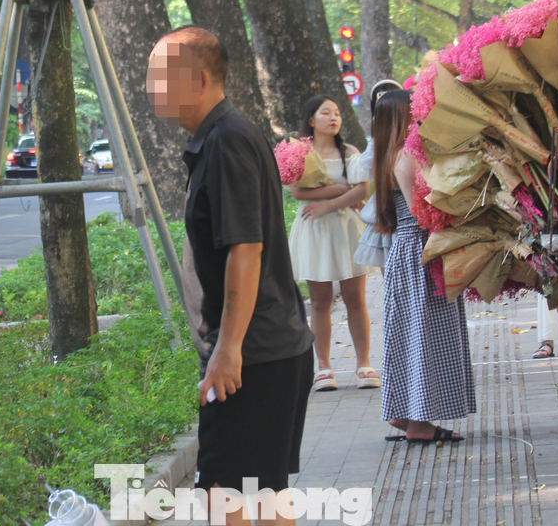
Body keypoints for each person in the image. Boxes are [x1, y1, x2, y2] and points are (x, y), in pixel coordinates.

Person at [147, 26, 314, 520]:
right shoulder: (221, 137)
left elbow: (247, 249)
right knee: (262, 501)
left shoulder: (226, 141)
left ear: (197, 80)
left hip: (251, 359)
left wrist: (227, 348)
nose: (149, 88)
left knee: (227, 501)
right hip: (262, 354)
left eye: (158, 77)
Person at [373, 89, 476, 443]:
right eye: (413, 114)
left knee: (412, 330)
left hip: (408, 251)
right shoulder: (406, 157)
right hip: (421, 249)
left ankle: (404, 413)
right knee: (427, 332)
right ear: (401, 119)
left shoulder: (390, 156)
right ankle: (419, 424)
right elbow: (423, 210)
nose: (420, 118)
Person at [287, 94, 375, 391]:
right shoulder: (300, 152)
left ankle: (364, 363)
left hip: (345, 230)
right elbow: (298, 193)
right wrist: (340, 191)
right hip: (314, 229)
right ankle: (323, 367)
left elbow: (361, 190)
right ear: (312, 120)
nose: (333, 118)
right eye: (326, 113)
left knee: (356, 298)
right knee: (321, 301)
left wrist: (329, 202)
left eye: (337, 113)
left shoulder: (349, 150)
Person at [352, 79, 404, 270]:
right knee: (391, 273)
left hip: (412, 215)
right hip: (388, 211)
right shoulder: (376, 142)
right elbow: (372, 173)